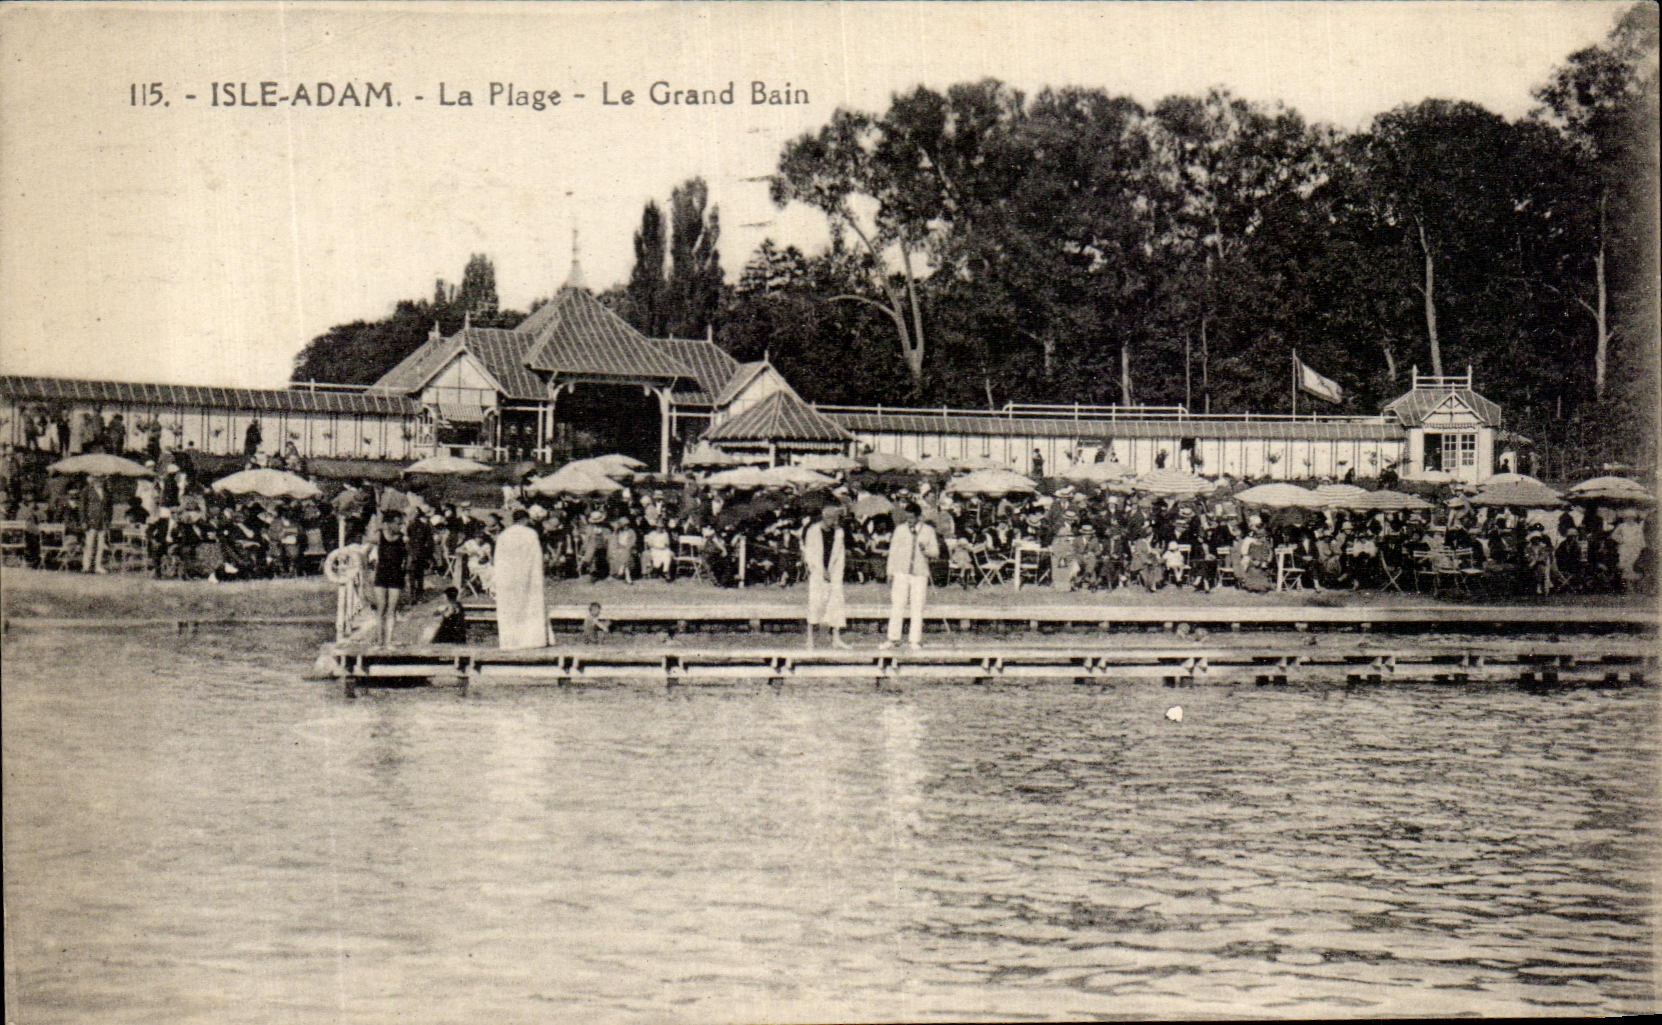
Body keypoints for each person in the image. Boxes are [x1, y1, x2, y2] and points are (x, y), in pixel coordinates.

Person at [881, 501, 939, 651]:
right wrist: (890, 572)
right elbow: (893, 551)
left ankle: (915, 640)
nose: (909, 521)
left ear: (919, 517)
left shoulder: (928, 531)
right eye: (907, 518)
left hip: (919, 574)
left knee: (917, 607)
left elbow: (935, 553)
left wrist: (926, 550)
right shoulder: (900, 530)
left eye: (912, 518)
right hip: (901, 572)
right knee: (897, 605)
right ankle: (893, 638)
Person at [494, 507, 548, 649]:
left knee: (511, 607)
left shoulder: (504, 535)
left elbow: (498, 559)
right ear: (525, 519)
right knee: (529, 605)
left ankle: (510, 641)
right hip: (528, 576)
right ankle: (532, 640)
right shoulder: (531, 534)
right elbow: (537, 557)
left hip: (509, 577)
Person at [803, 503, 850, 649]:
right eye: (831, 518)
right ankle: (810, 639)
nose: (834, 522)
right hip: (818, 573)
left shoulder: (839, 532)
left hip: (834, 573)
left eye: (836, 519)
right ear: (825, 517)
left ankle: (836, 638)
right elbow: (810, 554)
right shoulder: (813, 531)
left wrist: (836, 574)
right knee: (816, 603)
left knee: (836, 604)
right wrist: (821, 570)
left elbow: (840, 555)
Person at [79, 474, 111, 574]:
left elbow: (110, 508)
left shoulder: (106, 492)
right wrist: (83, 521)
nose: (99, 481)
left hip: (102, 521)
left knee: (101, 545)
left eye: (101, 479)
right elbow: (82, 507)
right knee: (89, 544)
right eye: (97, 478)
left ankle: (98, 566)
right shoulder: (86, 490)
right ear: (93, 479)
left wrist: (108, 520)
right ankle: (86, 566)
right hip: (90, 521)